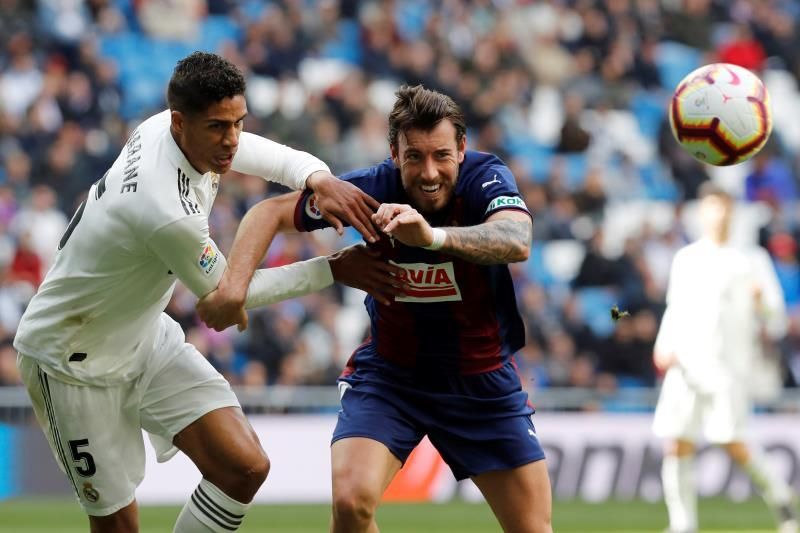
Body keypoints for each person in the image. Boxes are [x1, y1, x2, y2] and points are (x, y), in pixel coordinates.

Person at [12, 51, 396, 533]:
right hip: (70, 359)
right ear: (180, 122)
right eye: (218, 127)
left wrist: (319, 177)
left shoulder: (169, 129)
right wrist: (333, 270)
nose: (231, 139)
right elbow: (228, 297)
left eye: (237, 122)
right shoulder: (164, 207)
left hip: (142, 333)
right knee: (117, 527)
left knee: (244, 467)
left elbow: (261, 153)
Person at [198, 85, 553, 533]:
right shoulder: (368, 191)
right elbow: (269, 213)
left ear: (462, 149)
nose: (429, 173)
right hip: (392, 379)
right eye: (414, 157)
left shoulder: (486, 177)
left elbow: (517, 240)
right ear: (393, 153)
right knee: (350, 505)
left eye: (441, 155)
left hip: (482, 385)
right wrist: (233, 288)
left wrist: (432, 238)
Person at [652, 183, 797, 533]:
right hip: (685, 362)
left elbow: (776, 321)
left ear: (733, 213)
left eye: (725, 207)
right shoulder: (686, 258)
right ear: (702, 212)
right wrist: (663, 344)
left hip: (729, 366)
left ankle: (779, 496)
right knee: (677, 440)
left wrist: (762, 302)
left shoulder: (751, 259)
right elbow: (675, 309)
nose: (719, 214)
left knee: (732, 439)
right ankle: (682, 523)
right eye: (713, 207)